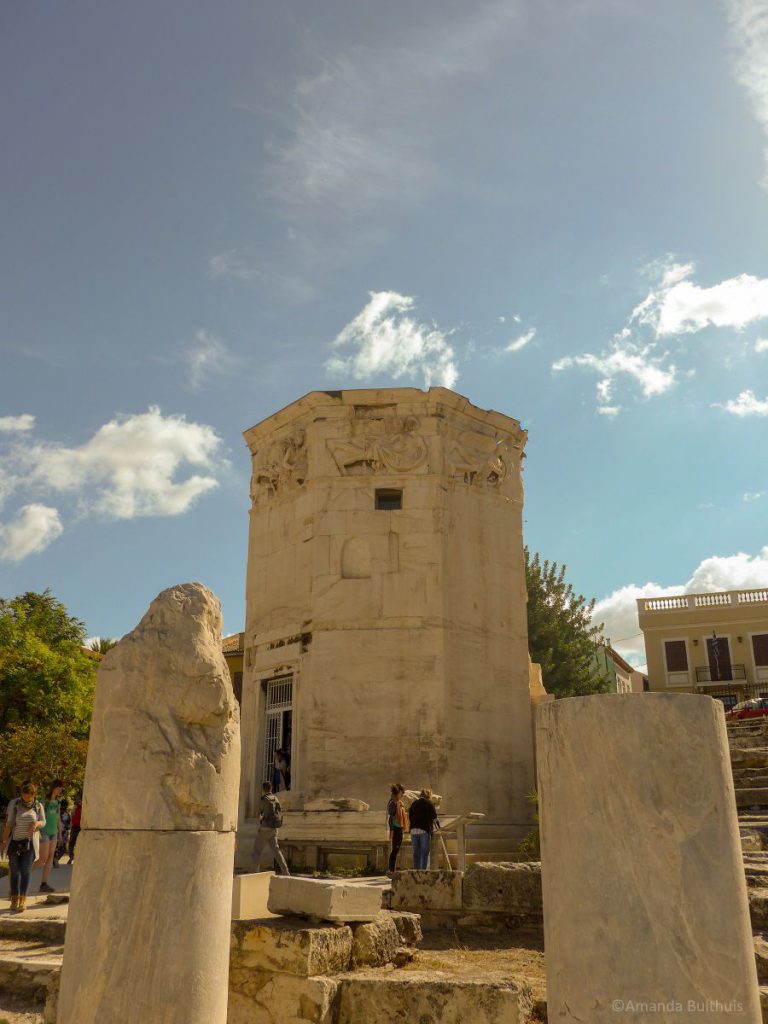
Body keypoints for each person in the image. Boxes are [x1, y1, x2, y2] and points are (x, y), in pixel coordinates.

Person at [0, 782, 46, 913]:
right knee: (14, 871)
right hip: (14, 842)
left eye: (28, 796)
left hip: (29, 843)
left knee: (25, 871)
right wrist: (3, 841)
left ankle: (23, 900)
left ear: (33, 795)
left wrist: (37, 823)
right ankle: (14, 899)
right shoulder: (14, 804)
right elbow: (8, 824)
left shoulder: (38, 806)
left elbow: (44, 821)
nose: (26, 798)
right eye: (24, 795)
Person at [251, 782, 289, 876]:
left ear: (263, 789)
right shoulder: (275, 798)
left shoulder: (264, 799)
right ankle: (286, 872)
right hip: (274, 829)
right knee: (277, 852)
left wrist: (261, 818)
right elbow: (279, 812)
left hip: (265, 829)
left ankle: (254, 873)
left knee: (256, 851)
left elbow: (257, 813)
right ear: (271, 788)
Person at [35, 780, 63, 893]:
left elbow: (58, 818)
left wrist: (60, 832)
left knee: (51, 858)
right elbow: (38, 817)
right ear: (53, 787)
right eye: (58, 788)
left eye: (61, 789)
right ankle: (24, 874)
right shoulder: (44, 800)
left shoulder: (58, 801)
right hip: (44, 831)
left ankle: (44, 883)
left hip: (54, 832)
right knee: (43, 859)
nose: (60, 790)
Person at [408, 788, 440, 871]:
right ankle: (423, 872)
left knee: (416, 853)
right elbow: (435, 818)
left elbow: (410, 817)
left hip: (413, 831)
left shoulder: (414, 804)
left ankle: (416, 872)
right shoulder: (429, 803)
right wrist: (439, 827)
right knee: (425, 853)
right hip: (424, 830)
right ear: (429, 796)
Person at [386, 783, 407, 876]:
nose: (402, 795)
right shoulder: (392, 803)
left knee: (395, 850)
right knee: (395, 850)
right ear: (398, 793)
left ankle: (391, 870)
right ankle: (391, 870)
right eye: (401, 793)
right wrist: (391, 831)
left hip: (399, 828)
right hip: (395, 829)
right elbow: (391, 816)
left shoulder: (398, 802)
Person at [54, 798, 71, 868]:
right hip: (63, 832)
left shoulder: (56, 811)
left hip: (55, 831)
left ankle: (54, 859)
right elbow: (69, 824)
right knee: (62, 848)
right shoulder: (66, 814)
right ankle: (56, 859)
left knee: (55, 847)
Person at [67, 795, 82, 864]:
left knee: (79, 843)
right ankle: (71, 857)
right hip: (74, 826)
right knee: (71, 841)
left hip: (81, 827)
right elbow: (72, 814)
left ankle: (79, 857)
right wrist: (75, 807)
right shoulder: (75, 807)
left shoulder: (84, 806)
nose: (77, 801)